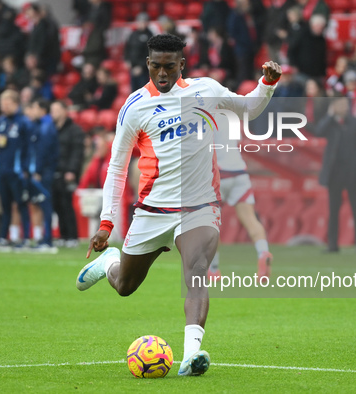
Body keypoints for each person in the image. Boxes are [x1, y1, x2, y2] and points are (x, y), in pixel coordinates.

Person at [75, 34, 281, 376]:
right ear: (147, 65)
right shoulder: (135, 106)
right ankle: (110, 265)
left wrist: (267, 84)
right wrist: (107, 223)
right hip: (153, 210)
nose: (162, 74)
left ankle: (191, 355)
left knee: (197, 272)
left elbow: (248, 107)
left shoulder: (207, 90)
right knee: (125, 286)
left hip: (199, 205)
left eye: (169, 66)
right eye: (155, 66)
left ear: (181, 64)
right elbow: (116, 165)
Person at [207, 115, 273, 279]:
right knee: (251, 220)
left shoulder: (204, 116)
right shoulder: (232, 116)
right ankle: (263, 252)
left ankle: (214, 269)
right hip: (239, 172)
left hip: (219, 174)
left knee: (211, 223)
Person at [314, 93, 356, 253]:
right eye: (340, 105)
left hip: (352, 172)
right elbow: (318, 131)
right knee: (333, 209)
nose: (344, 108)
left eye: (345, 104)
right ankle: (332, 244)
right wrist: (329, 115)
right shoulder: (330, 124)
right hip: (334, 173)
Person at [0, 89, 32, 250]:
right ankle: (3, 237)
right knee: (5, 205)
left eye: (6, 103)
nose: (3, 106)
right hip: (3, 169)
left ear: (15, 103)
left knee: (22, 204)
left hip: (18, 171)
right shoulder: (0, 121)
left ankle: (27, 238)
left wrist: (26, 168)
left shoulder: (23, 122)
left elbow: (29, 147)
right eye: (2, 103)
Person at [27, 97, 59, 252]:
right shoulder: (42, 125)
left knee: (46, 205)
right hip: (44, 171)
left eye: (34, 108)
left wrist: (38, 171)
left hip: (44, 172)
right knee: (42, 204)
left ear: (41, 110)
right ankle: (43, 239)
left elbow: (43, 151)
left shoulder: (45, 127)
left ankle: (48, 240)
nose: (32, 111)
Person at [51, 100, 85, 248]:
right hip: (54, 172)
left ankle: (72, 236)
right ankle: (63, 235)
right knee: (56, 205)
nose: (53, 113)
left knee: (66, 204)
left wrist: (72, 170)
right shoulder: (51, 129)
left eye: (56, 110)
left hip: (67, 173)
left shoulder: (74, 130)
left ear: (65, 111)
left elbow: (77, 153)